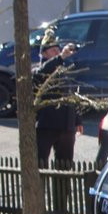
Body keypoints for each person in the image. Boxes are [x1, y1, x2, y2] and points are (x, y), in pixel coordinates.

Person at [33, 29, 83, 168]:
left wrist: (77, 119)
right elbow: (42, 73)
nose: (57, 52)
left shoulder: (64, 69)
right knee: (40, 165)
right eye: (52, 50)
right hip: (46, 125)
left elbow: (72, 95)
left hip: (66, 127)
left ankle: (62, 191)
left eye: (57, 49)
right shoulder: (39, 70)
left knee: (64, 168)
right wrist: (60, 57)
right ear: (44, 54)